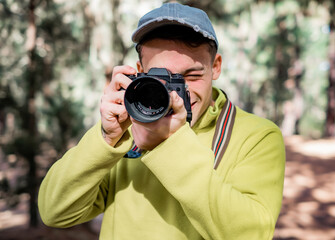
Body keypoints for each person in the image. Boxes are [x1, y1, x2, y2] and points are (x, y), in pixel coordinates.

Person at [38, 3, 285, 239]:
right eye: (163, 79)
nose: (179, 94)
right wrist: (107, 138)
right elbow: (55, 212)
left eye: (193, 75)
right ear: (140, 71)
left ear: (216, 66)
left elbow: (252, 234)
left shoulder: (257, 136)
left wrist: (168, 144)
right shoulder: (127, 130)